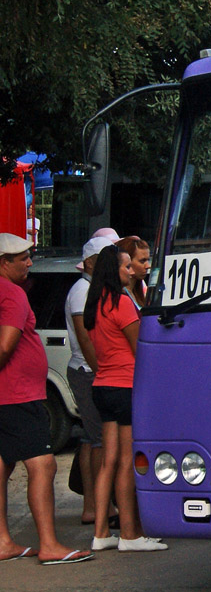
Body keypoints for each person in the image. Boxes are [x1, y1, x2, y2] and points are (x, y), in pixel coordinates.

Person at [0, 233, 94, 564]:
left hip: (9, 394)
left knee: (3, 464)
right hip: (17, 394)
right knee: (43, 464)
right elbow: (5, 346)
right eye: (23, 258)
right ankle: (49, 544)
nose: (29, 263)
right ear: (4, 263)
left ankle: (2, 541)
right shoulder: (12, 294)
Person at [85, 245, 166, 552]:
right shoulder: (121, 302)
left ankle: (101, 532)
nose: (131, 271)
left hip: (103, 385)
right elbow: (140, 348)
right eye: (126, 267)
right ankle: (130, 534)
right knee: (125, 462)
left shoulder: (95, 302)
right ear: (114, 270)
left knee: (108, 461)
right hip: (125, 386)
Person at [65, 237, 118, 528]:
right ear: (89, 263)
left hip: (89, 370)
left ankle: (93, 506)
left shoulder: (90, 289)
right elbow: (85, 337)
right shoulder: (82, 291)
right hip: (88, 371)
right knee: (99, 441)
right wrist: (101, 371)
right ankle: (101, 506)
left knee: (90, 440)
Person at [115, 236, 151, 310]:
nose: (148, 266)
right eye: (142, 261)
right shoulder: (119, 297)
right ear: (127, 261)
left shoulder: (138, 293)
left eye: (148, 260)